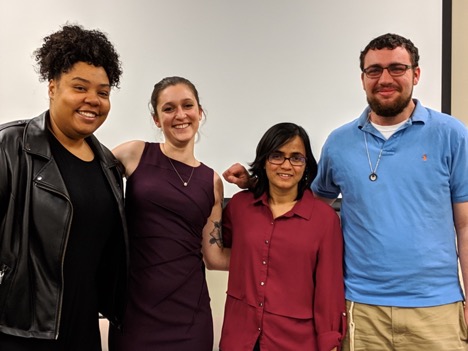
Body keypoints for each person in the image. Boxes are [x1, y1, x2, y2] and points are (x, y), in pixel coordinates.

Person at [224, 33, 468, 351]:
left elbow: (464, 225)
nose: (385, 79)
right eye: (374, 70)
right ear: (363, 78)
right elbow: (304, 201)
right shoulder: (339, 143)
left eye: (397, 68)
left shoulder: (452, 135)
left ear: (416, 74)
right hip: (361, 309)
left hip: (437, 310)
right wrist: (257, 182)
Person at [0, 24, 128, 351]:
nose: (93, 100)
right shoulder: (11, 146)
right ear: (52, 87)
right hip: (20, 332)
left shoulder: (109, 166)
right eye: (80, 87)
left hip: (83, 330)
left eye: (103, 92)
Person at [108, 76, 230, 351]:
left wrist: (275, 258)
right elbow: (85, 180)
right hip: (134, 313)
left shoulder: (212, 181)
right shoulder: (134, 153)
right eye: (168, 108)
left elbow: (214, 257)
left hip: (190, 319)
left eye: (187, 105)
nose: (180, 115)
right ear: (156, 119)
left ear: (200, 112)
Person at [219, 122, 345, 351]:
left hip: (296, 342)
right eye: (277, 156)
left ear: (306, 165)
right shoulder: (239, 207)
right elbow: (220, 247)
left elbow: (329, 290)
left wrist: (330, 340)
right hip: (240, 339)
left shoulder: (325, 220)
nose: (286, 165)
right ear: (264, 160)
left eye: (296, 158)